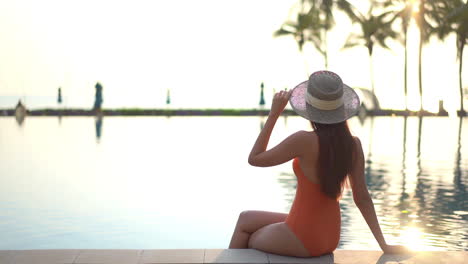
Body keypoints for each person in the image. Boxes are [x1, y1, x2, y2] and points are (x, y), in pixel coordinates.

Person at [228, 70, 408, 257]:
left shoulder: (303, 140)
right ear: (341, 110)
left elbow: (255, 158)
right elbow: (362, 198)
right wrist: (384, 245)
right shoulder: (353, 144)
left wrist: (274, 114)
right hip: (330, 237)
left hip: (303, 237)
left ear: (309, 108)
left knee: (248, 235)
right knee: (246, 218)